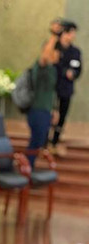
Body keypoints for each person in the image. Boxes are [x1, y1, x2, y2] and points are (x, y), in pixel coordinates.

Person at [26, 34, 60, 167]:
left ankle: (29, 167)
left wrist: (54, 110)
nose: (58, 54)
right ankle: (27, 167)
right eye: (55, 51)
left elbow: (51, 92)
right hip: (37, 110)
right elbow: (45, 56)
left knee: (39, 142)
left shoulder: (52, 69)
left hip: (45, 111)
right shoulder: (41, 66)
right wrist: (54, 36)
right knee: (36, 141)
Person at [51, 21, 82, 153]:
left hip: (66, 89)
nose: (73, 36)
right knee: (50, 115)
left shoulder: (75, 52)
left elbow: (78, 69)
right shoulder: (53, 47)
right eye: (71, 32)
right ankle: (44, 142)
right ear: (64, 33)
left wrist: (73, 74)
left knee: (62, 116)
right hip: (52, 88)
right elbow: (51, 66)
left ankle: (55, 141)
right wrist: (64, 72)